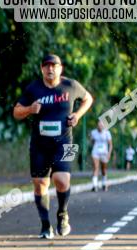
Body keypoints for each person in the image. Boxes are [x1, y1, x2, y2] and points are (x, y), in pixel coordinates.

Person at [14, 53, 93, 239]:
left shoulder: (70, 85)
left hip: (65, 141)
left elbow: (88, 99)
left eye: (54, 65)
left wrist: (78, 115)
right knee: (40, 184)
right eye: (47, 65)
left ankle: (63, 214)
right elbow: (16, 112)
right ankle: (45, 225)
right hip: (39, 144)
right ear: (42, 68)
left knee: (62, 179)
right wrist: (29, 110)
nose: (50, 69)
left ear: (60, 68)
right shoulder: (34, 88)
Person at [89, 120, 112, 191]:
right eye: (99, 126)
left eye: (102, 126)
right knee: (96, 167)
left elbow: (110, 144)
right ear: (97, 126)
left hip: (104, 153)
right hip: (95, 152)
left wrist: (109, 153)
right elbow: (92, 142)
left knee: (104, 170)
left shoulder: (107, 133)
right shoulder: (93, 132)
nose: (100, 127)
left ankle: (104, 184)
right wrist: (94, 146)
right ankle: (94, 185)